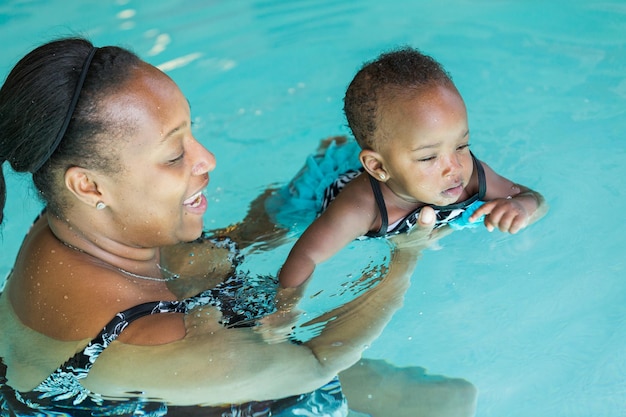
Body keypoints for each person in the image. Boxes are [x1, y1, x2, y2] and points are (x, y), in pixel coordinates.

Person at [0, 38, 478, 417]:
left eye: (191, 134)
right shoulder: (151, 344)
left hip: (200, 375)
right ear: (88, 185)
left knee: (448, 400)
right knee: (449, 404)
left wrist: (279, 212)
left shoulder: (73, 219)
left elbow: (194, 266)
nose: (206, 159)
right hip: (199, 387)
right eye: (173, 155)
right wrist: (406, 256)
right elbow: (315, 366)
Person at [271, 47, 548, 288]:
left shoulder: (474, 175)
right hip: (319, 193)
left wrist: (520, 208)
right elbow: (306, 256)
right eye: (429, 157)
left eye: (461, 146)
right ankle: (332, 147)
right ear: (378, 167)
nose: (455, 167)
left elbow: (532, 198)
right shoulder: (362, 207)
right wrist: (285, 310)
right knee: (274, 223)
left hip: (393, 166)